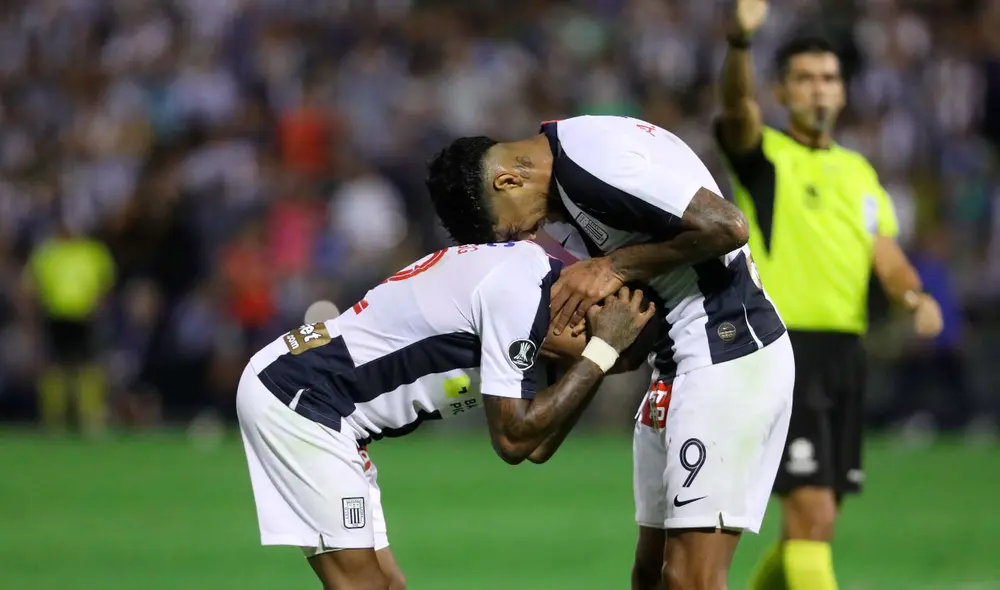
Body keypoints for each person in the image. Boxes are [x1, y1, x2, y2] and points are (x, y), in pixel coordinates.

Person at [426, 113, 795, 590]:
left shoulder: (593, 160)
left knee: (691, 579)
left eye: (511, 229)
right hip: (675, 363)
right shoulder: (565, 196)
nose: (526, 237)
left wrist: (613, 267)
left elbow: (729, 226)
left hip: (728, 353)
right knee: (651, 576)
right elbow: (633, 332)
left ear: (508, 181)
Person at [237, 240, 657, 590]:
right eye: (593, 329)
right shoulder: (520, 295)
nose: (582, 333)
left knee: (387, 584)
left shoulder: (533, 300)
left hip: (329, 409)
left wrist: (598, 358)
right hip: (302, 398)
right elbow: (514, 441)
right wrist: (601, 353)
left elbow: (538, 444)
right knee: (362, 585)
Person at [713, 1, 944, 589]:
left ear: (842, 92)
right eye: (805, 78)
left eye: (829, 78)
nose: (819, 89)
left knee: (812, 528)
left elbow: (885, 254)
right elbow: (735, 111)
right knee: (811, 516)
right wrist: (739, 43)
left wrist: (914, 297)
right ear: (781, 91)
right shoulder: (766, 158)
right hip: (784, 351)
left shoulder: (859, 173)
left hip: (845, 357)